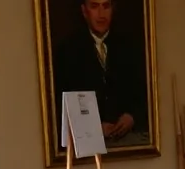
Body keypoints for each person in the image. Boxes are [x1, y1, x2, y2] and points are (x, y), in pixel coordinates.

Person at [53, 0, 149, 145]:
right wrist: (94, 127)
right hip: (86, 144)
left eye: (106, 6)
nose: (101, 14)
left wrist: (132, 117)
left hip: (129, 140)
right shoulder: (68, 51)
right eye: (94, 6)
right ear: (85, 11)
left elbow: (143, 93)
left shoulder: (130, 47)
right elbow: (62, 104)